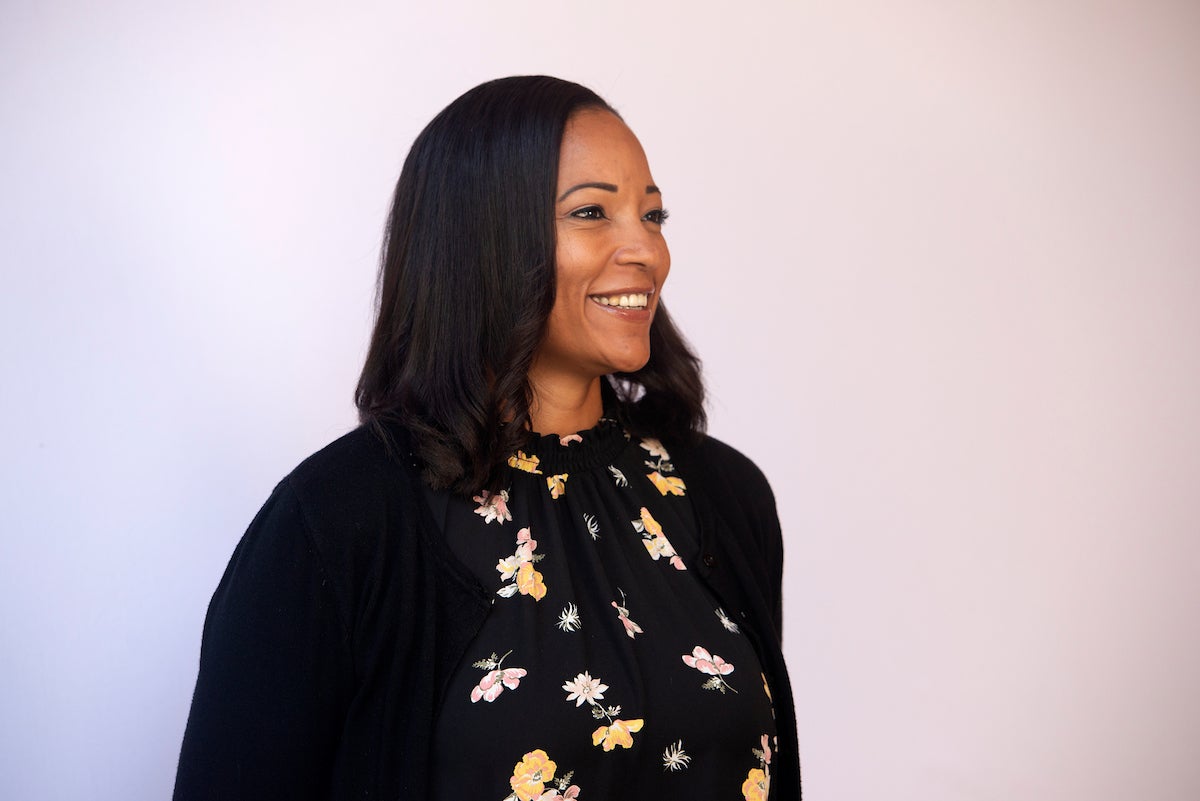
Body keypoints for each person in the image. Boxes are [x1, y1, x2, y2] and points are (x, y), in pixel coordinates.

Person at [174, 75, 800, 801]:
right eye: (593, 212)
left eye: (653, 216)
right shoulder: (339, 522)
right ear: (483, 238)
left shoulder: (721, 495)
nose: (647, 252)